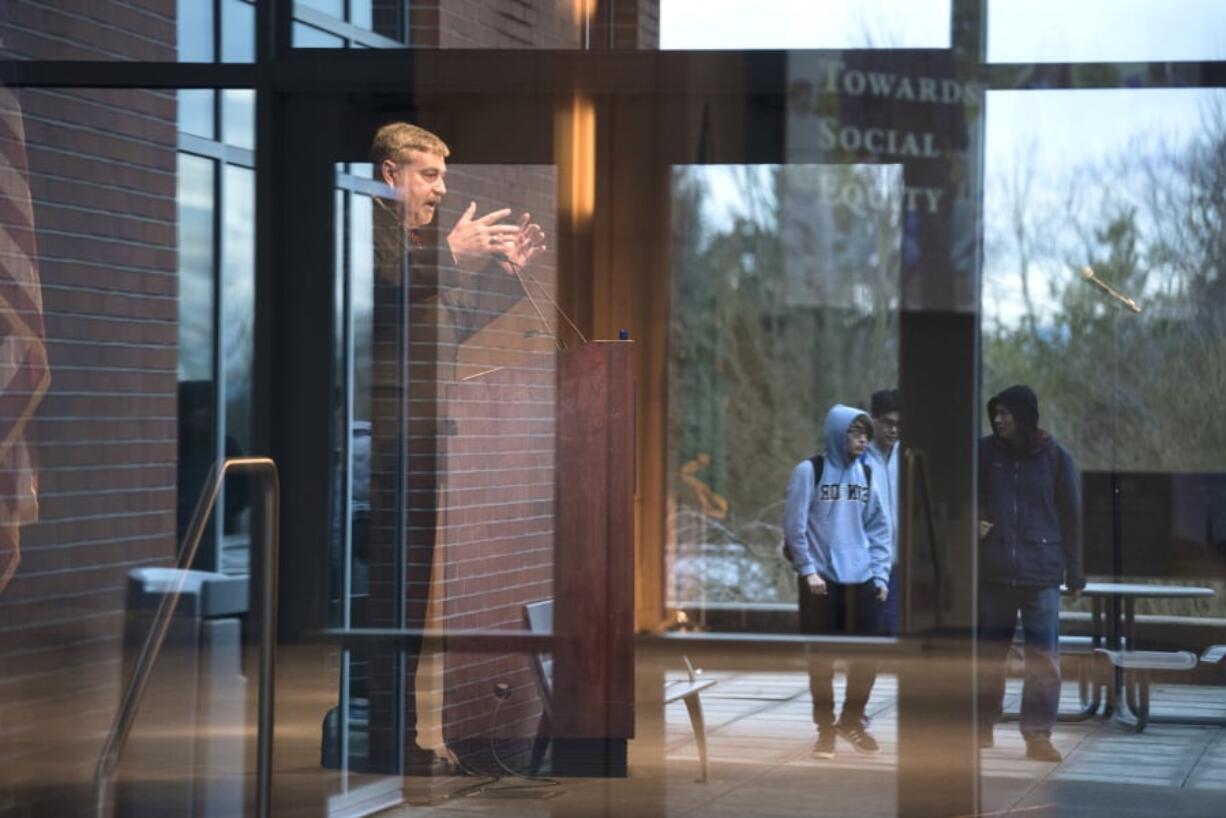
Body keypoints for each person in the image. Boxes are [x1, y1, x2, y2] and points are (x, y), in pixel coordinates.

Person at [363, 122, 546, 773]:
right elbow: (382, 284)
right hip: (375, 447)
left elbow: (453, 320)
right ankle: (380, 738)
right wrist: (452, 252)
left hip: (423, 445)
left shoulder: (424, 244)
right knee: (385, 601)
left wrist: (499, 271)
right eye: (429, 174)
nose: (442, 187)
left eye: (444, 175)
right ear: (390, 174)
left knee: (411, 604)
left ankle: (402, 741)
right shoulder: (370, 229)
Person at [977, 384, 1084, 763]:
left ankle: (1038, 735)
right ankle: (980, 725)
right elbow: (961, 496)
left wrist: (1075, 571)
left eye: (1005, 413)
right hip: (993, 573)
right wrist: (975, 520)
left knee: (1043, 659)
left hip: (1041, 573)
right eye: (996, 413)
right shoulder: (984, 452)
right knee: (987, 655)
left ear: (1024, 416)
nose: (998, 419)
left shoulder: (1055, 458)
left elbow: (1072, 517)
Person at [783, 404, 892, 758]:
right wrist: (808, 570)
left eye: (865, 434)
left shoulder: (869, 473)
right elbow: (794, 527)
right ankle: (825, 730)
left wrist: (880, 573)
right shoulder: (809, 471)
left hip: (862, 579)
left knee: (867, 658)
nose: (862, 440)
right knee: (822, 662)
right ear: (838, 433)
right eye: (855, 433)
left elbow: (880, 527)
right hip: (822, 581)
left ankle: (850, 720)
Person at [863, 389, 901, 635]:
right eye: (888, 423)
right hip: (868, 566)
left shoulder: (906, 456)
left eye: (900, 425)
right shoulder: (860, 459)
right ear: (873, 420)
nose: (894, 430)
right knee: (868, 644)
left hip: (899, 566)